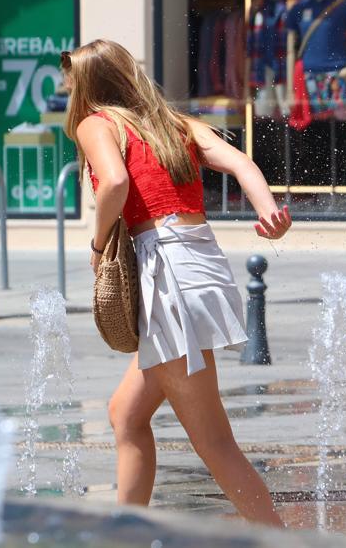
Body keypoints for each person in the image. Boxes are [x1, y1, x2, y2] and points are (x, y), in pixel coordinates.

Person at [64, 39, 292, 525]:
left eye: (70, 81)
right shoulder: (172, 122)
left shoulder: (95, 123)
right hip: (198, 262)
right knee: (126, 414)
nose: (66, 89)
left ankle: (278, 538)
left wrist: (99, 245)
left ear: (87, 84)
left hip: (165, 271)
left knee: (214, 442)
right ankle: (127, 532)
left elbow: (115, 183)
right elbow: (241, 162)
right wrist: (268, 211)